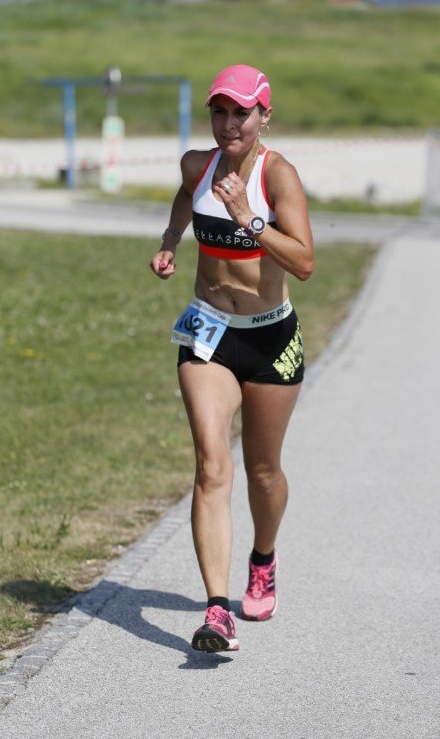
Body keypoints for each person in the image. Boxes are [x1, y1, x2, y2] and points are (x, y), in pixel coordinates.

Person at [150, 64, 314, 652]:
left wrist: (248, 217)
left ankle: (263, 558)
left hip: (271, 338)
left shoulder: (279, 175)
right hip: (209, 333)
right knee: (211, 466)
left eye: (241, 112)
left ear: (264, 115)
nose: (229, 124)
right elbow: (184, 198)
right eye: (219, 112)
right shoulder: (197, 165)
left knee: (262, 471)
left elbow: (304, 262)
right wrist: (171, 240)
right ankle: (217, 610)